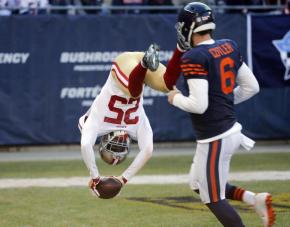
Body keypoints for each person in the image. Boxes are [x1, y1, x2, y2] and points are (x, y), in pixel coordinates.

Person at [167, 2, 275, 227]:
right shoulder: (229, 45)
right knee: (198, 184)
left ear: (188, 27)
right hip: (228, 130)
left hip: (215, 136)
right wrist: (223, 101)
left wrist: (175, 98)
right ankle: (253, 199)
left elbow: (198, 105)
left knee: (214, 200)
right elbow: (251, 87)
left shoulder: (194, 56)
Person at [78, 43, 184, 195]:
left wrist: (95, 178)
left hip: (124, 64)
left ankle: (144, 63)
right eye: (119, 149)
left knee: (134, 91)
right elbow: (147, 150)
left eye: (113, 147)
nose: (118, 145)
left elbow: (85, 144)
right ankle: (181, 48)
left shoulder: (96, 120)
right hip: (136, 77)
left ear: (104, 141)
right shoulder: (136, 124)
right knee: (168, 85)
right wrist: (122, 179)